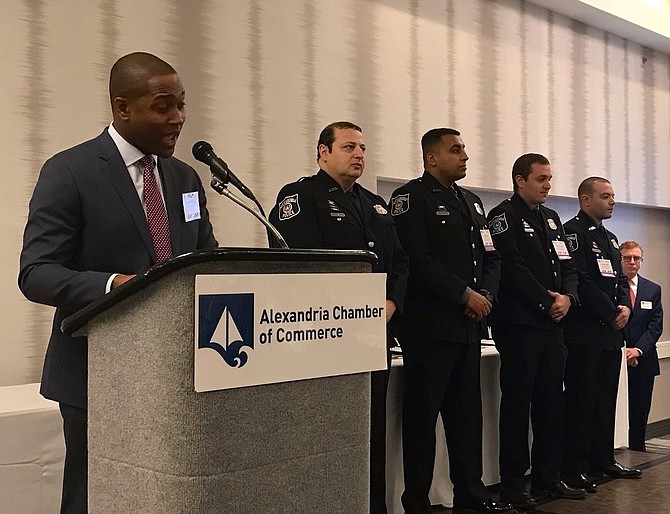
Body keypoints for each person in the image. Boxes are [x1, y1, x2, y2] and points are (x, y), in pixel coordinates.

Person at [18, 52, 218, 513]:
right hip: (98, 375)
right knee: (95, 498)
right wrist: (116, 286)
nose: (178, 118)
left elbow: (205, 259)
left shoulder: (185, 177)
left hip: (178, 375)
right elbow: (37, 272)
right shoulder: (70, 171)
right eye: (164, 105)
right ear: (122, 107)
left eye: (182, 105)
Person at [268, 121, 408, 514]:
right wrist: (347, 310)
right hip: (325, 338)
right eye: (348, 147)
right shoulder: (300, 196)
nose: (359, 154)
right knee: (326, 433)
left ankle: (372, 506)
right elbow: (300, 267)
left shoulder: (374, 203)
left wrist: (391, 304)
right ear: (323, 152)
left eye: (362, 147)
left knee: (371, 429)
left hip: (372, 336)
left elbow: (401, 262)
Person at [390, 128, 513, 514]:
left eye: (464, 149)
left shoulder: (473, 203)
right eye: (455, 149)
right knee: (422, 421)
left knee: (466, 419)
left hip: (469, 327)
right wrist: (464, 294)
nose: (465, 155)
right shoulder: (410, 198)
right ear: (432, 158)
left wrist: (486, 296)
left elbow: (491, 257)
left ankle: (470, 495)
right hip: (430, 328)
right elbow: (416, 259)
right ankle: (417, 502)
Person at [487, 153, 587, 509]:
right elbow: (512, 270)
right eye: (541, 178)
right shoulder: (502, 217)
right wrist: (547, 302)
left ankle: (548, 477)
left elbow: (568, 266)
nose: (548, 184)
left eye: (549, 178)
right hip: (520, 326)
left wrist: (569, 298)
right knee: (517, 407)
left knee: (550, 404)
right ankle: (514, 485)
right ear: (520, 180)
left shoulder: (552, 218)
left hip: (553, 327)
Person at [562, 177, 641, 487]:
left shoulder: (609, 237)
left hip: (610, 334)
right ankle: (575, 466)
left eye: (613, 196)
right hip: (584, 333)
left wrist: (625, 307)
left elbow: (619, 281)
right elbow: (581, 280)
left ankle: (602, 459)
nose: (612, 201)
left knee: (606, 400)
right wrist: (611, 313)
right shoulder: (572, 233)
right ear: (585, 200)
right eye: (605, 196)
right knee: (582, 401)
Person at [619, 241, 663, 452]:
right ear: (620, 260)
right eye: (627, 258)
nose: (632, 262)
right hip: (616, 358)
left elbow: (655, 326)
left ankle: (637, 450)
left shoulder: (652, 289)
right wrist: (624, 351)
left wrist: (637, 350)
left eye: (637, 258)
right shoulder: (612, 287)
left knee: (639, 409)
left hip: (643, 360)